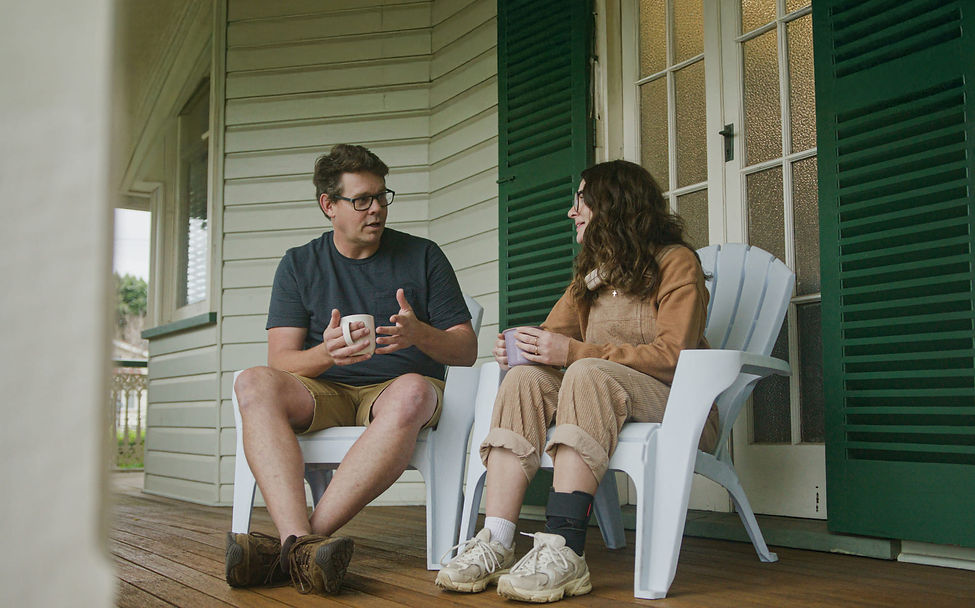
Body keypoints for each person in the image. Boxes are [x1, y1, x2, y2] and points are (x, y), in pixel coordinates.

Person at [435, 160, 719, 603]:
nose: (573, 211)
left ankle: (564, 548)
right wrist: (521, 350)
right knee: (525, 378)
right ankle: (496, 539)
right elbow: (554, 339)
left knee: (586, 370)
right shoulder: (592, 275)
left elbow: (673, 358)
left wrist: (573, 353)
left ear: (613, 205)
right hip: (601, 396)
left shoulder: (676, 263)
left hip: (676, 401)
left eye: (581, 199)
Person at [227, 144, 478, 595]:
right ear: (329, 206)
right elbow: (280, 361)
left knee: (414, 393)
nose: (377, 208)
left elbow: (465, 349)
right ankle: (303, 551)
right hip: (323, 390)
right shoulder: (299, 263)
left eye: (382, 196)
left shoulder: (423, 256)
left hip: (397, 391)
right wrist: (328, 354)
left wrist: (420, 334)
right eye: (362, 199)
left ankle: (292, 546)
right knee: (252, 383)